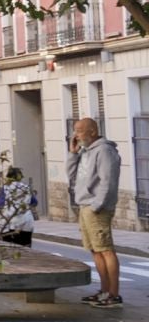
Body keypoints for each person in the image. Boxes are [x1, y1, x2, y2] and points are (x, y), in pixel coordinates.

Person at [67, 117, 124, 307]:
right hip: (85, 205)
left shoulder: (105, 150)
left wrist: (97, 205)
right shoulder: (85, 151)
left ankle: (114, 295)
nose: (76, 135)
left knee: (105, 249)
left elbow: (108, 181)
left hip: (96, 208)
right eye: (75, 130)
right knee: (95, 250)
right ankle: (104, 291)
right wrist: (73, 154)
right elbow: (72, 176)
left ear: (92, 131)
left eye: (79, 130)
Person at [0, 166, 37, 247]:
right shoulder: (26, 187)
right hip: (26, 222)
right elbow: (34, 202)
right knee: (26, 247)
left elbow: (0, 203)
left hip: (10, 222)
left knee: (10, 248)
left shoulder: (5, 188)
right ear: (20, 177)